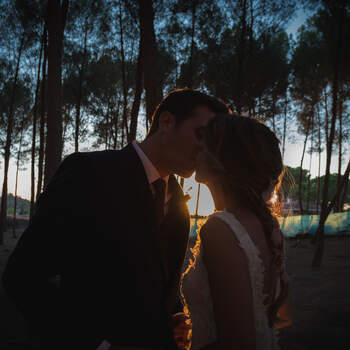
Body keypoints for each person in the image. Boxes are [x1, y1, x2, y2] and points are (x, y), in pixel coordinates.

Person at [2, 88, 229, 350]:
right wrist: (98, 345)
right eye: (200, 134)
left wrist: (174, 322)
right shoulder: (89, 173)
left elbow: (163, 289)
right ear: (166, 122)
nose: (205, 150)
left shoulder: (179, 206)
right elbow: (21, 276)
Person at [182, 114, 292, 350]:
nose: (196, 150)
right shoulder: (268, 226)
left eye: (204, 145)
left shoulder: (221, 230)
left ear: (223, 160)